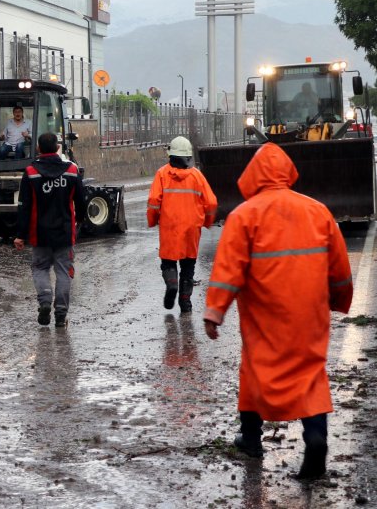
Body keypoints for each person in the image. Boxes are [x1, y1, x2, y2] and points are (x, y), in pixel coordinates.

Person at [202, 143, 353, 480]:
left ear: (253, 175)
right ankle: (316, 438)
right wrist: (340, 300)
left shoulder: (244, 216)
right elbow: (340, 268)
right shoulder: (318, 211)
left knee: (254, 370)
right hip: (309, 314)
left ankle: (252, 439)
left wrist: (215, 311)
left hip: (263, 316)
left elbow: (228, 270)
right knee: (311, 373)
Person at [14, 132, 86, 327]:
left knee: (40, 268)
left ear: (38, 148)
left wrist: (20, 235)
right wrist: (79, 221)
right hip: (64, 233)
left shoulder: (30, 172)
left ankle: (45, 301)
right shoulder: (72, 170)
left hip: (39, 234)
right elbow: (81, 201)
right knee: (63, 271)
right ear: (57, 148)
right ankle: (61, 315)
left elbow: (24, 207)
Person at [146, 136, 217, 313]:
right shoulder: (197, 176)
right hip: (192, 228)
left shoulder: (162, 174)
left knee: (168, 262)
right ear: (188, 157)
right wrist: (207, 222)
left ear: (170, 155)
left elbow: (154, 201)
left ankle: (172, 285)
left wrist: (153, 220)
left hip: (169, 226)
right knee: (188, 265)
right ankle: (185, 302)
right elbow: (211, 203)